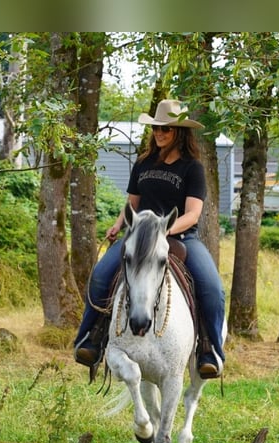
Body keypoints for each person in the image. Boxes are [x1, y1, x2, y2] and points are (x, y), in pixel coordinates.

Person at [73, 99, 226, 379]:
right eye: (156, 128)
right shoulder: (143, 163)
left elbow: (193, 214)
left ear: (179, 132)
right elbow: (132, 202)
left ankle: (209, 349)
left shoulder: (193, 168)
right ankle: (90, 339)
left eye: (166, 129)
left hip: (180, 236)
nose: (159, 133)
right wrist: (119, 225)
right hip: (138, 235)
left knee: (212, 288)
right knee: (100, 276)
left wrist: (165, 230)